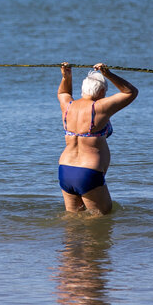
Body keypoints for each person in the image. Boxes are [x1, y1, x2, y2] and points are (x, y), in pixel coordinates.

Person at [57, 62, 137, 214]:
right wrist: (108, 74)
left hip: (65, 169)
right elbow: (130, 92)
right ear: (101, 91)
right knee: (101, 222)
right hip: (88, 172)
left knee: (72, 222)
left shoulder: (67, 106)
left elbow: (62, 93)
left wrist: (66, 76)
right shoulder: (99, 107)